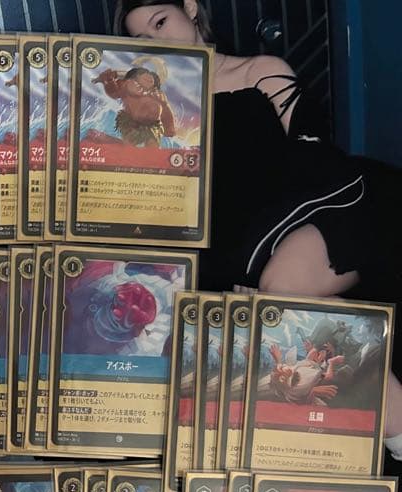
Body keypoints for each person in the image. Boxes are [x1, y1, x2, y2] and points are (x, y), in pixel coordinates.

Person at [114, 0, 402, 463]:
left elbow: (313, 154)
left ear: (191, 8)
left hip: (314, 210)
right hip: (229, 246)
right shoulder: (156, 111)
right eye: (143, 40)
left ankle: (396, 429)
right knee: (285, 319)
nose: (157, 41)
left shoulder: (259, 69)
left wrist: (258, 257)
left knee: (281, 289)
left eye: (161, 22)